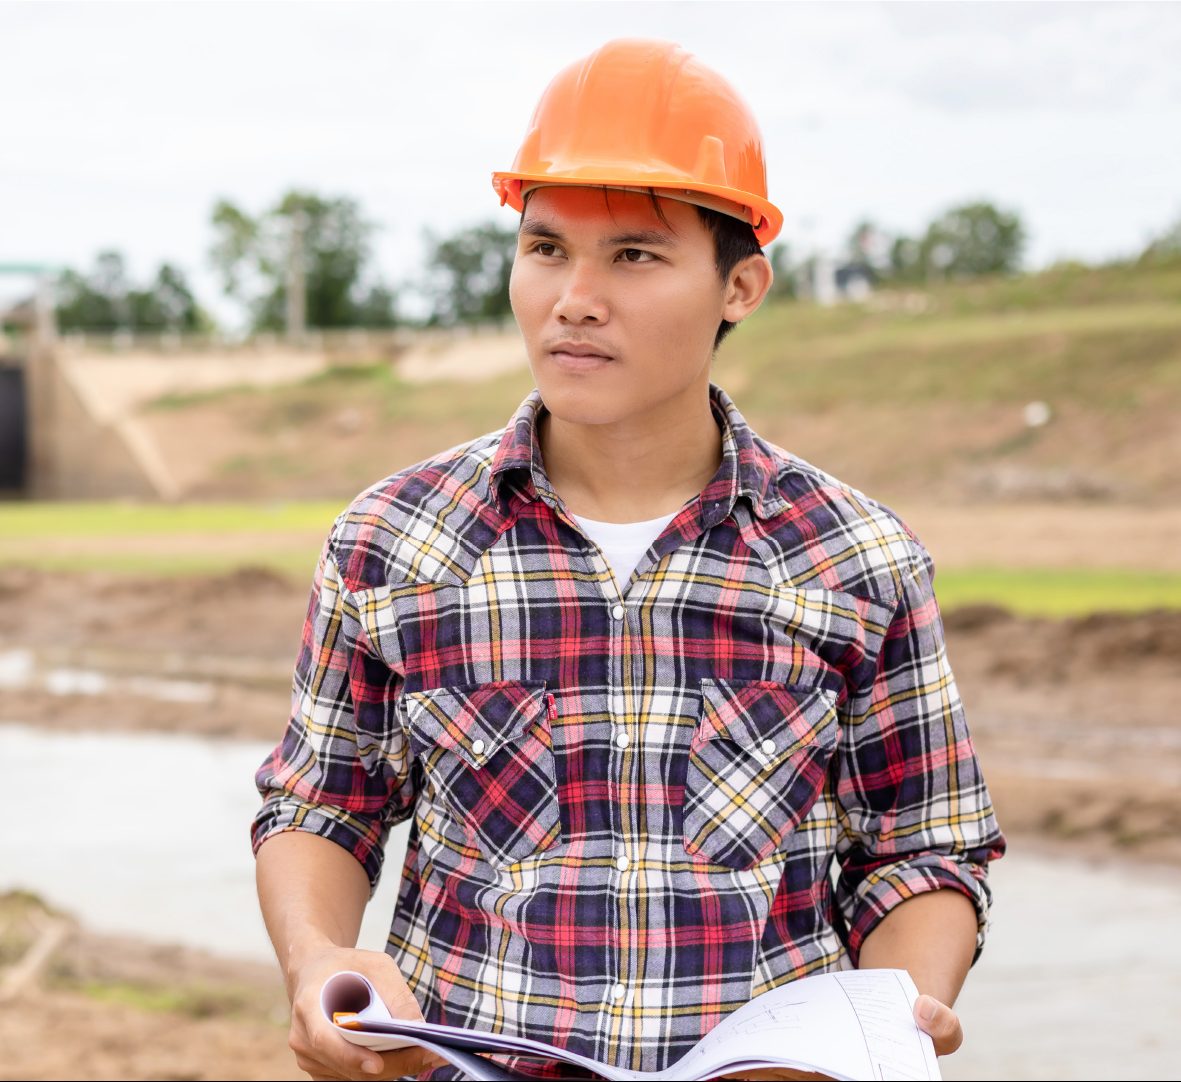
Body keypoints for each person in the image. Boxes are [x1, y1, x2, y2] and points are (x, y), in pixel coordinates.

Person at [251, 38, 1005, 1082]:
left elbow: (920, 846)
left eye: (633, 256)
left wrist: (888, 1018)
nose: (574, 297)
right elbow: (321, 805)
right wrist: (321, 961)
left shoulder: (855, 559)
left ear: (738, 284)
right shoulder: (392, 542)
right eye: (546, 248)